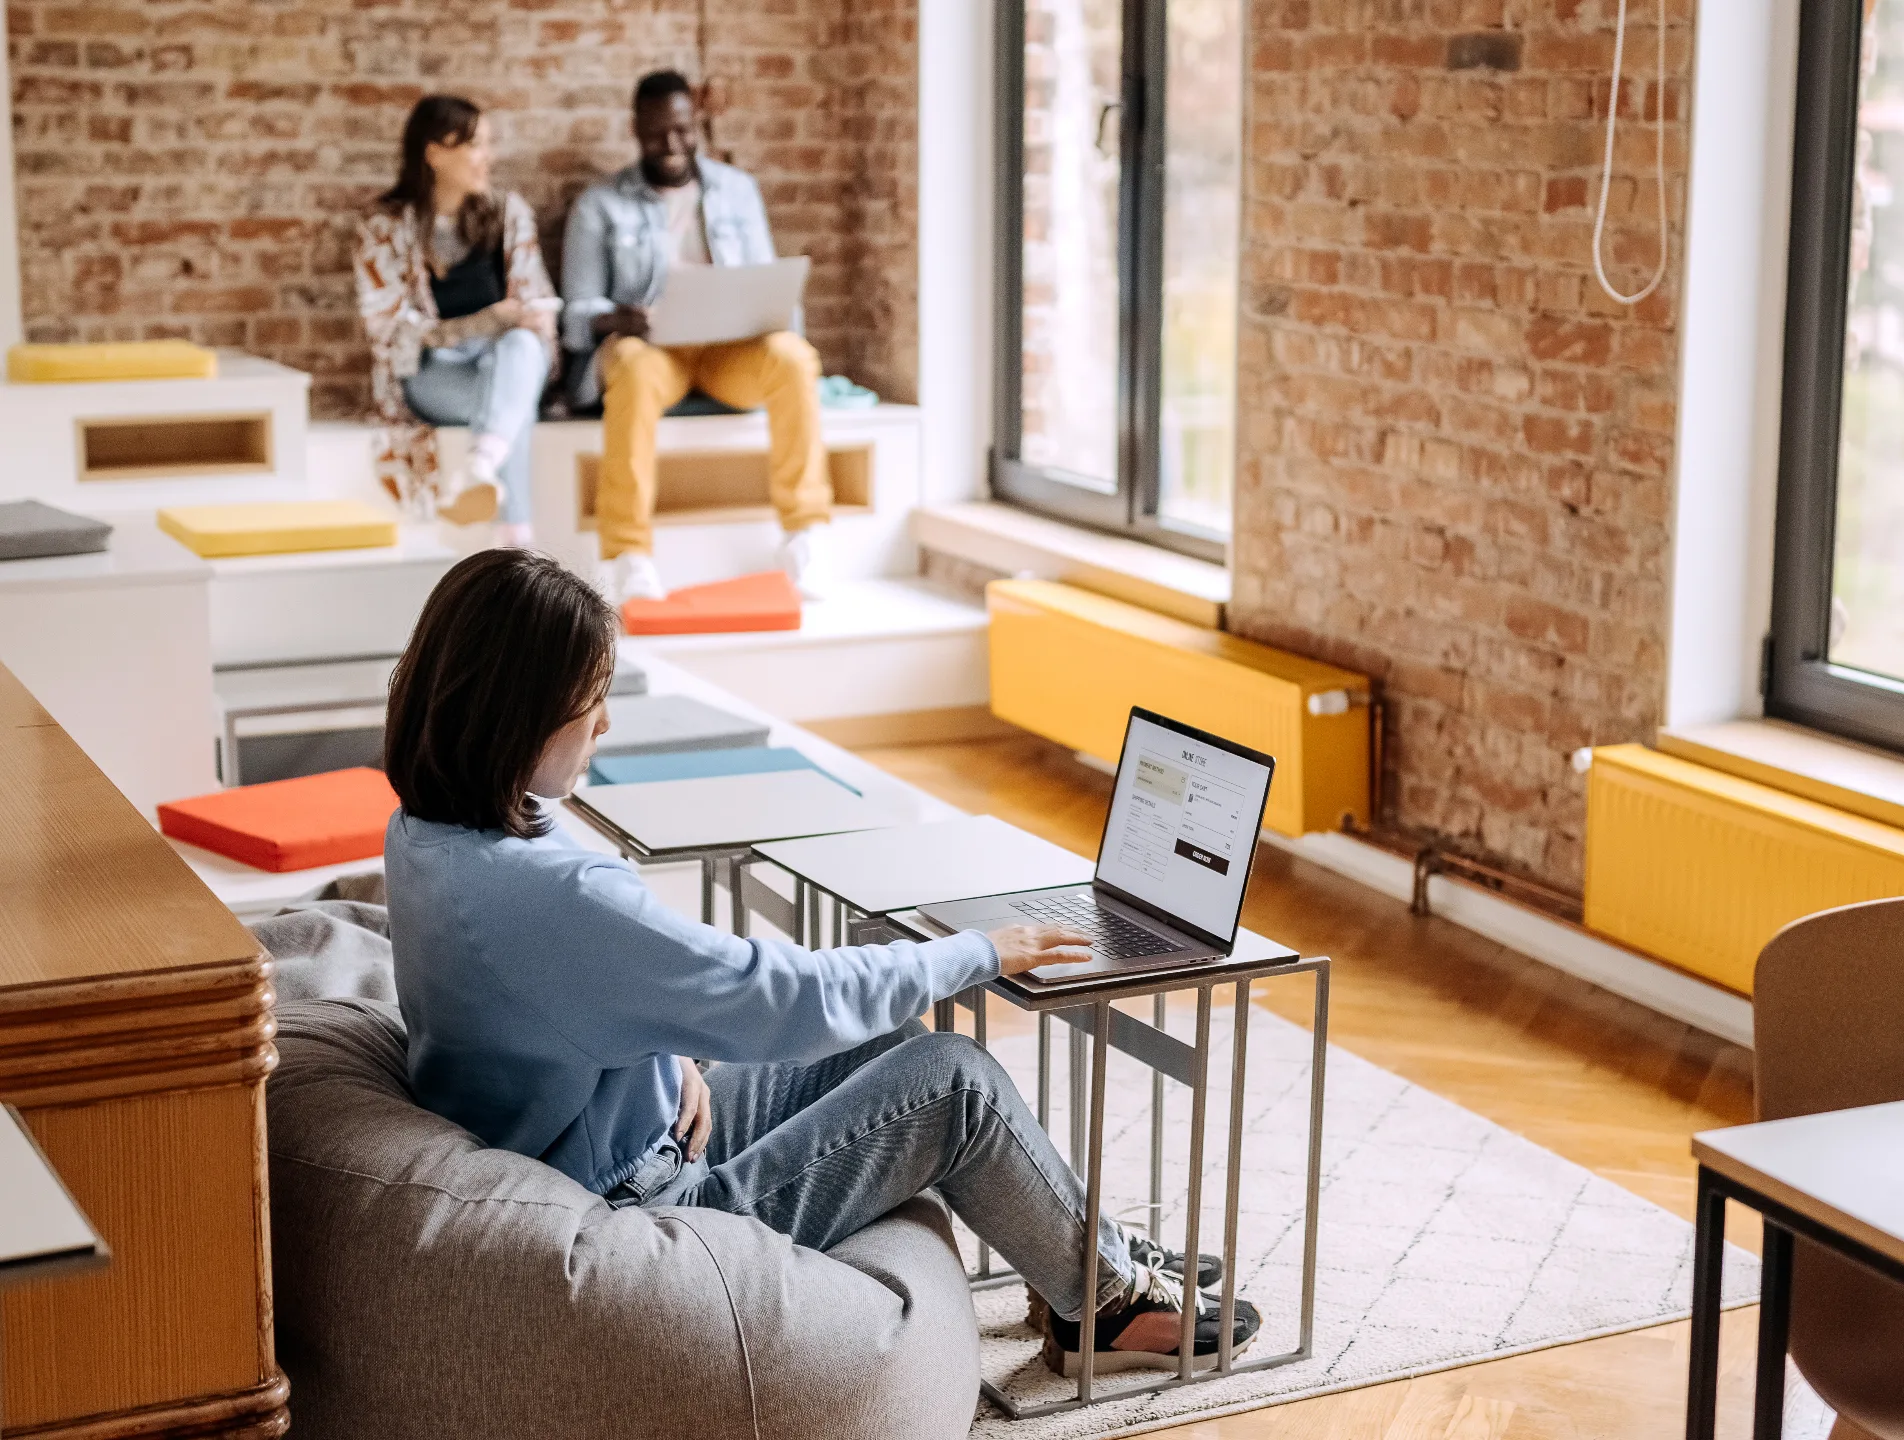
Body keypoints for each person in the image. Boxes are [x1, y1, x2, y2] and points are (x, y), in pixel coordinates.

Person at [379, 549, 1260, 1374]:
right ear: (517, 716)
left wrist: (666, 1048)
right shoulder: (553, 892)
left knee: (881, 1039)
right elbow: (778, 999)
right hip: (646, 1210)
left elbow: (568, 993)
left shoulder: (435, 830)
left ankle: (1086, 1248)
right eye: (589, 700)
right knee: (952, 1080)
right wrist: (979, 951)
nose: (605, 721)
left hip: (611, 1132)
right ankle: (1099, 1312)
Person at [561, 71, 834, 606]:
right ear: (635, 130)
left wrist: (771, 312)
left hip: (728, 352)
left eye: (683, 131)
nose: (672, 145)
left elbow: (762, 279)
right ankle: (629, 554)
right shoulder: (599, 205)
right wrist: (621, 318)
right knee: (633, 367)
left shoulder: (737, 190)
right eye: (658, 133)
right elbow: (574, 315)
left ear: (698, 126)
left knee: (795, 358)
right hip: (653, 351)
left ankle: (805, 536)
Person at [356, 95, 555, 548]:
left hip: (509, 362)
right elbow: (385, 326)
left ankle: (483, 466)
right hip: (435, 373)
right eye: (476, 145)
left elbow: (536, 300)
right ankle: (515, 538)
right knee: (511, 405)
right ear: (434, 152)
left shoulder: (509, 214)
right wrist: (480, 323)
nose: (489, 157)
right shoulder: (383, 227)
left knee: (519, 352)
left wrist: (529, 317)